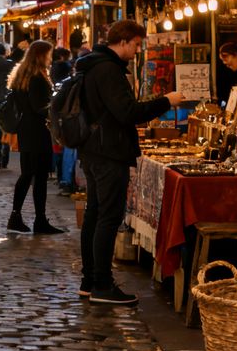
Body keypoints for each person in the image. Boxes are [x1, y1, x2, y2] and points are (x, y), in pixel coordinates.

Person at [76, 20, 183, 305]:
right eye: (136, 45)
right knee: (107, 218)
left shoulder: (93, 65)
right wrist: (166, 101)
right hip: (108, 152)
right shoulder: (108, 70)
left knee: (95, 215)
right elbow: (127, 112)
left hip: (94, 150)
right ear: (123, 41)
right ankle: (101, 285)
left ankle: (90, 281)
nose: (138, 51)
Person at [6, 40, 67, 235]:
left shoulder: (22, 74)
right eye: (48, 54)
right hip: (37, 131)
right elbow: (38, 106)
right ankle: (36, 220)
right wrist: (55, 104)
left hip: (27, 129)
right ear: (41, 55)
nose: (50, 58)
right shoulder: (37, 77)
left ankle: (19, 217)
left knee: (29, 174)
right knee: (37, 176)